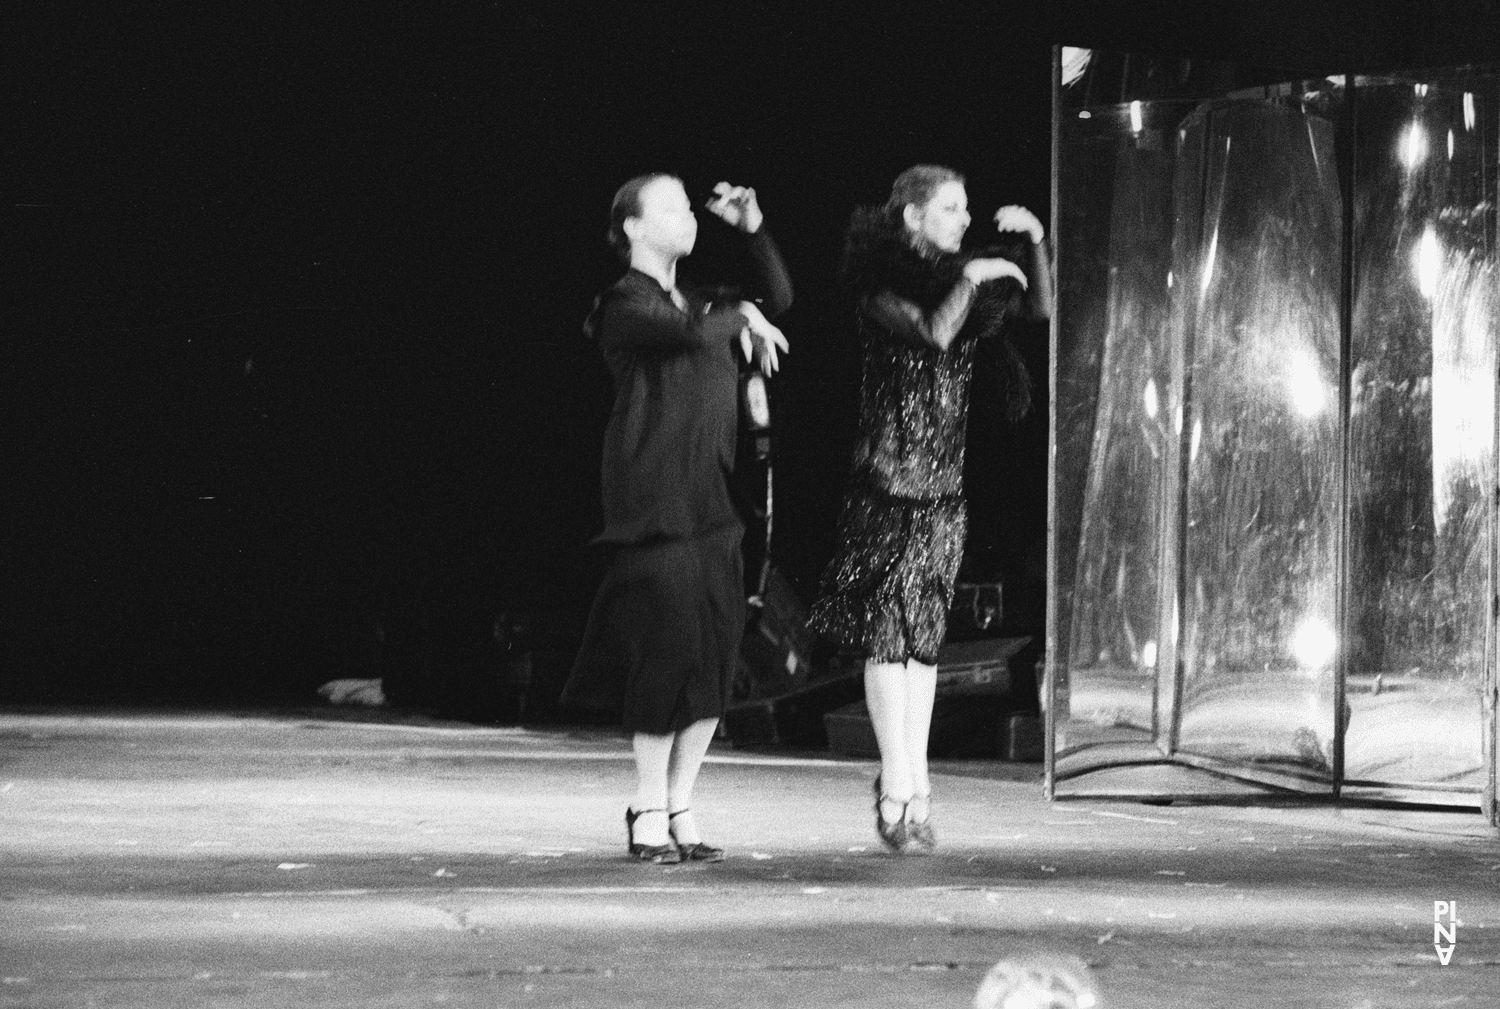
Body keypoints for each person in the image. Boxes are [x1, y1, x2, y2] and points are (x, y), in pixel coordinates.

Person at [808, 165, 1052, 853]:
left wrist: (1034, 244)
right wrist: (973, 277)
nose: (962, 219)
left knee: (924, 641)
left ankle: (917, 785)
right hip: (887, 481)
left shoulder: (962, 279)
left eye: (965, 207)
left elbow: (1039, 312)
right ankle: (898, 783)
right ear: (913, 216)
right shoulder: (878, 286)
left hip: (944, 486)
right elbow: (935, 333)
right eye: (949, 208)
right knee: (890, 633)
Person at [562, 174, 793, 863]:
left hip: (713, 502)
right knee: (662, 654)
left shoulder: (703, 300)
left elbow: (777, 296)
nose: (687, 217)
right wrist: (744, 317)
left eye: (690, 208)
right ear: (631, 226)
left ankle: (682, 800)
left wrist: (751, 229)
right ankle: (646, 804)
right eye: (671, 207)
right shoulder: (622, 304)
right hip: (652, 501)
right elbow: (688, 336)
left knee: (714, 659)